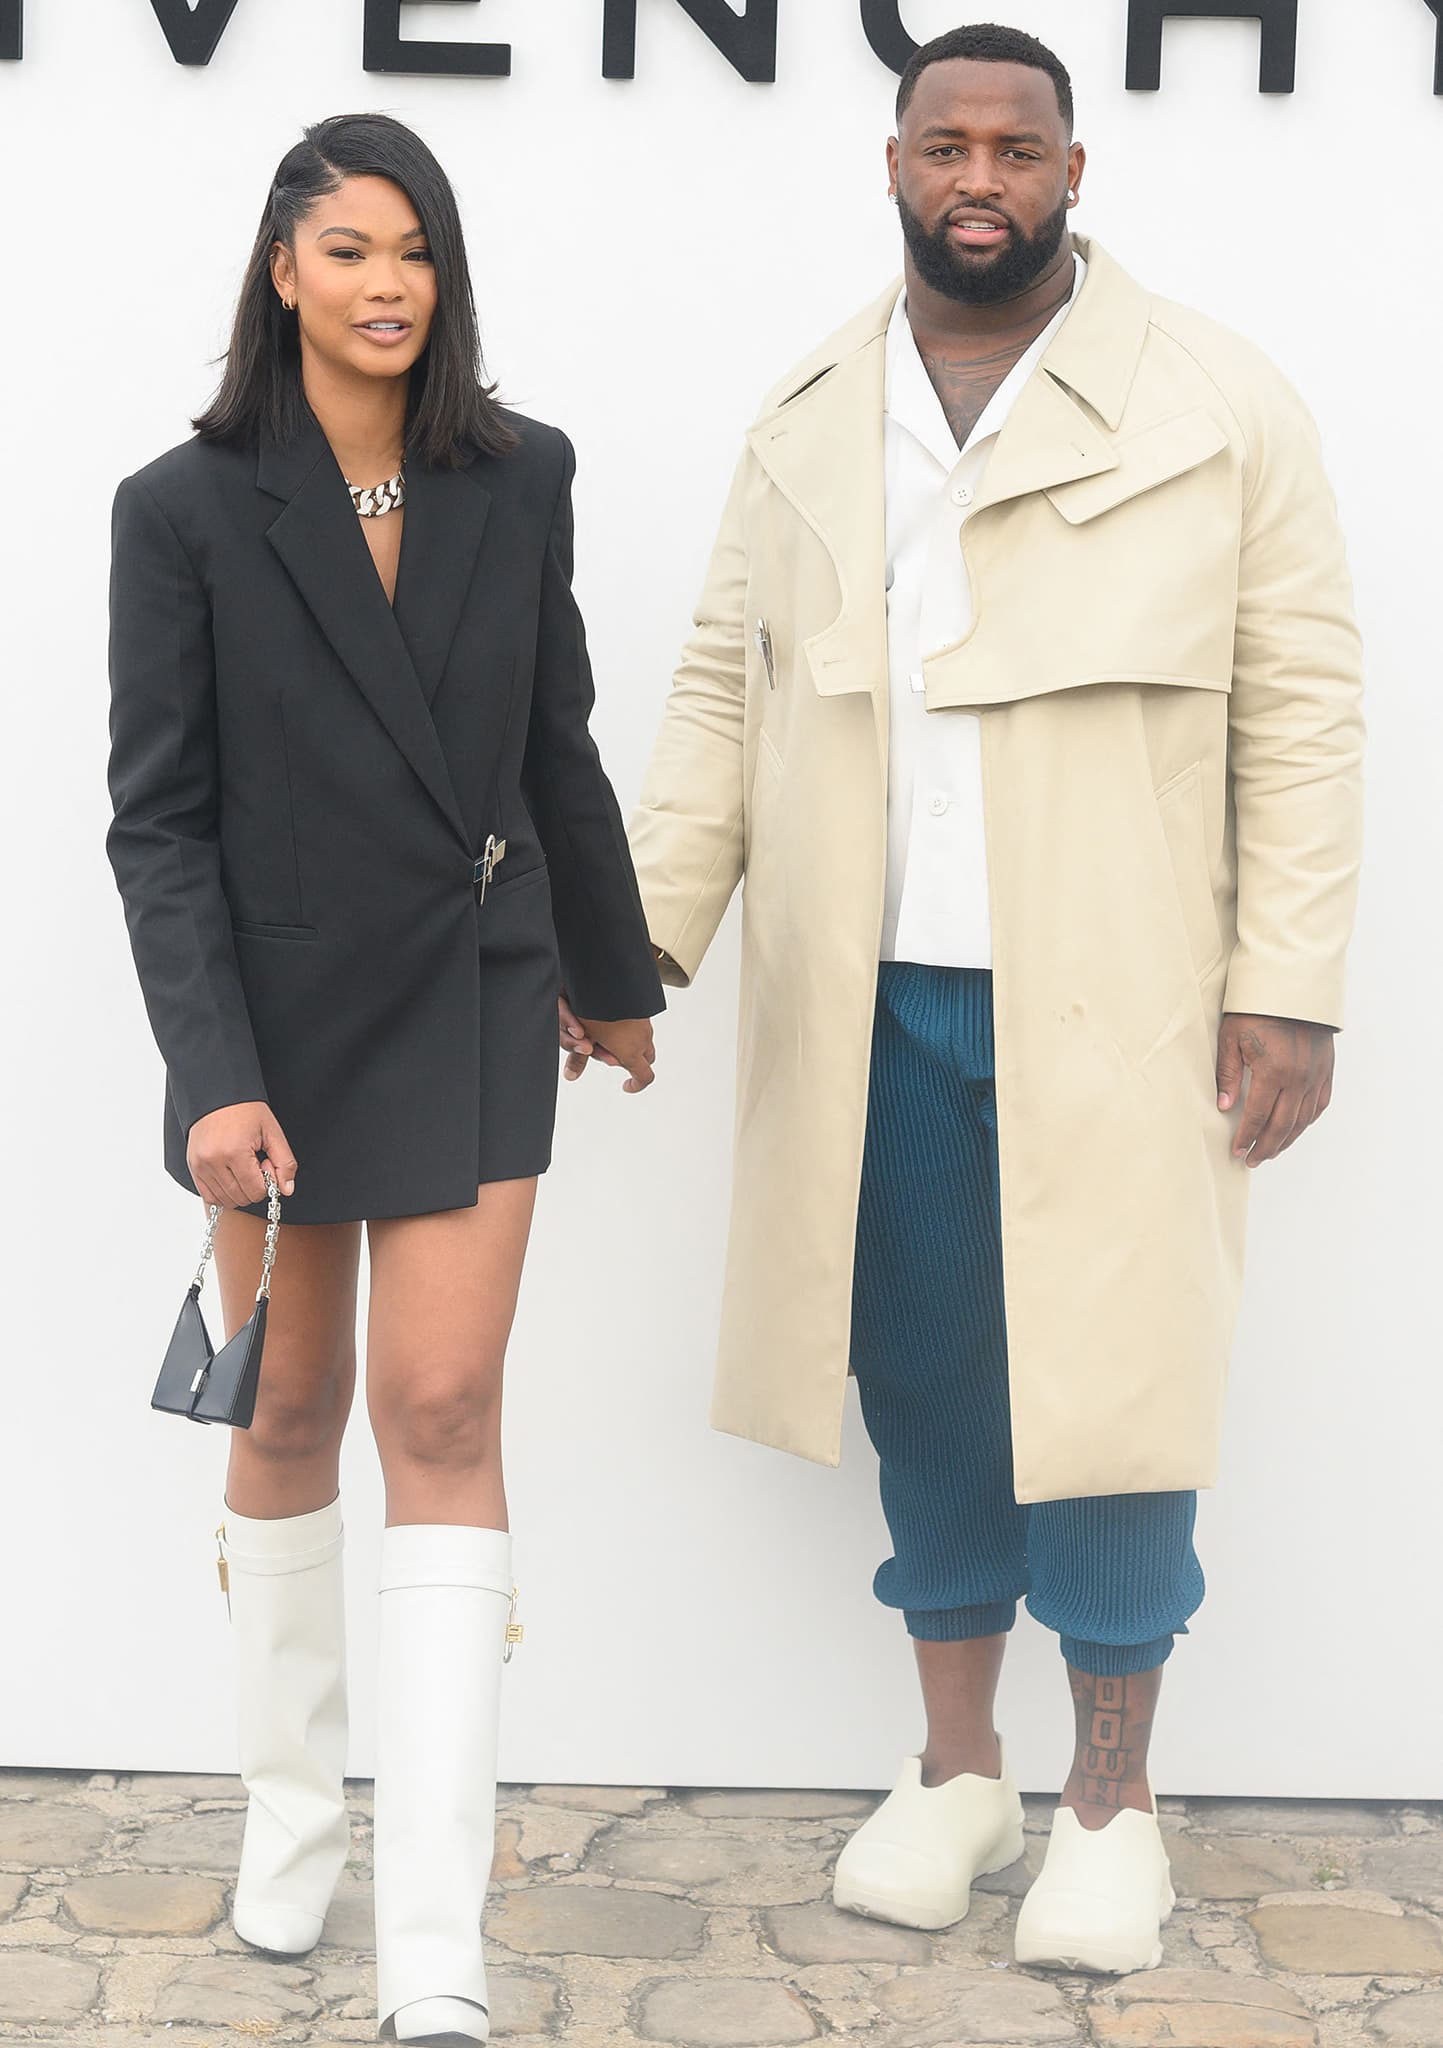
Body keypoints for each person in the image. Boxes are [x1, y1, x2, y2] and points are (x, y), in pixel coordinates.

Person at [593, 23, 1364, 1977]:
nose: (979, 178)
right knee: (919, 1390)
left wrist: (1285, 983)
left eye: (1015, 146)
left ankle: (1110, 1800)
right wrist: (637, 938)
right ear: (891, 163)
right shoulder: (805, 415)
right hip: (872, 1000)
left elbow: (1301, 706)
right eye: (945, 142)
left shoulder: (1217, 401)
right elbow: (715, 689)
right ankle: (956, 1768)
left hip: (1117, 1001)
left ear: (1072, 171)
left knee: (1110, 1394)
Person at [105, 113, 663, 2047]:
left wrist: (610, 972)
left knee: (439, 1400)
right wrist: (207, 1079)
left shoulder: (523, 477)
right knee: (288, 1409)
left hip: (481, 981)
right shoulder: (180, 509)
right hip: (273, 1031)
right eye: (347, 247)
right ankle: (289, 1829)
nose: (388, 280)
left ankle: (436, 1937)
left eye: (414, 245)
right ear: (284, 276)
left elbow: (556, 741)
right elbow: (159, 827)